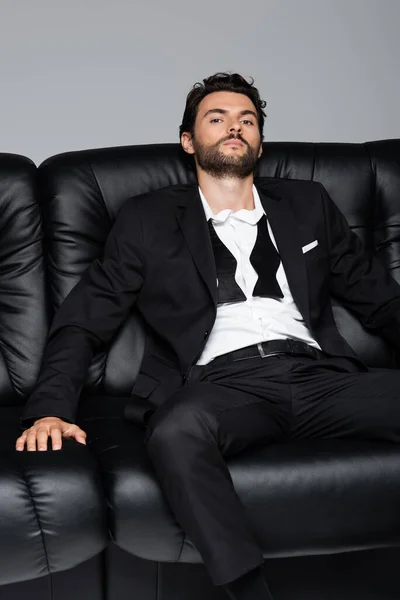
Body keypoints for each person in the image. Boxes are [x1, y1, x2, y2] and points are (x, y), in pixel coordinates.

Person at [15, 72, 400, 600]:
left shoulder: (308, 204)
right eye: (216, 119)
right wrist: (50, 409)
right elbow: (85, 318)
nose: (234, 127)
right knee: (176, 430)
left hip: (320, 376)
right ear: (189, 141)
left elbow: (380, 298)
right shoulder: (148, 219)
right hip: (223, 384)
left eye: (247, 120)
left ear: (260, 139)